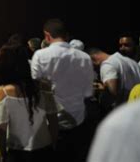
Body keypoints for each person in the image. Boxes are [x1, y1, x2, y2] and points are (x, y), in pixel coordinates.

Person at [87, 0, 140, 162]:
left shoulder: (109, 65)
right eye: (120, 44)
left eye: (127, 44)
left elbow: (112, 92)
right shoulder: (133, 62)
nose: (122, 47)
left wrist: (101, 91)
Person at [30, 19, 94, 162]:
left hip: (48, 126)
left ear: (47, 36)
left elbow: (36, 90)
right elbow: (88, 93)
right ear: (67, 35)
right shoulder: (84, 57)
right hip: (78, 123)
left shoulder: (39, 56)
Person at [0, 45, 58, 162]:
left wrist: (2, 154)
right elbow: (53, 121)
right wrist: (53, 145)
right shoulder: (43, 87)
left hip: (18, 152)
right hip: (45, 150)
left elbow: (1, 130)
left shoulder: (3, 92)